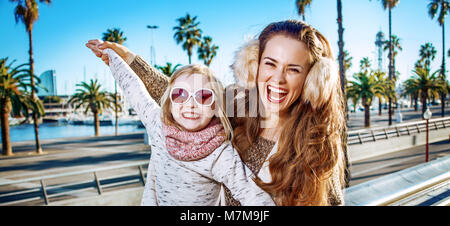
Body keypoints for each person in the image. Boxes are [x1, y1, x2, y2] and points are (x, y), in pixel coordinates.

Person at [87, 20, 348, 206]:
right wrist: (131, 60)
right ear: (253, 65)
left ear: (313, 79)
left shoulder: (317, 146)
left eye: (293, 69)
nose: (277, 79)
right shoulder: (239, 103)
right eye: (270, 63)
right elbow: (187, 97)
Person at [94, 45, 275, 206]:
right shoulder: (158, 125)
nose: (190, 104)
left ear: (215, 106)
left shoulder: (220, 153)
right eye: (180, 94)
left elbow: (249, 193)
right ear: (169, 103)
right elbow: (134, 89)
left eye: (203, 96)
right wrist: (112, 56)